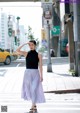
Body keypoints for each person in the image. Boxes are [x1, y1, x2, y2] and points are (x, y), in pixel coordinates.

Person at [16, 40, 45, 113]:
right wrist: (24, 43)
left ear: (35, 45)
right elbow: (17, 50)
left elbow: (40, 66)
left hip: (35, 73)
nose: (31, 46)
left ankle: (32, 106)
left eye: (32, 45)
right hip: (27, 74)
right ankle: (34, 106)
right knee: (30, 90)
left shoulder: (39, 55)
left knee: (33, 89)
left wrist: (41, 76)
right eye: (30, 45)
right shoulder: (26, 53)